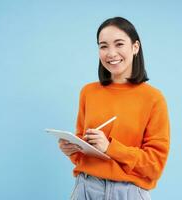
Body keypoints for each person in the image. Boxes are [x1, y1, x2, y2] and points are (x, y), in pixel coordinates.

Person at [59, 17, 170, 200]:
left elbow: (154, 166)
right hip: (86, 189)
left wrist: (110, 147)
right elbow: (83, 154)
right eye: (103, 46)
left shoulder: (153, 98)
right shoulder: (88, 92)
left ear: (135, 47)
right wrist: (73, 149)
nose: (111, 53)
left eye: (119, 44)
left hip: (129, 192)